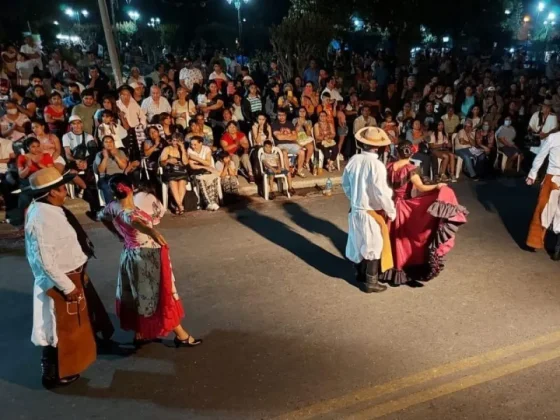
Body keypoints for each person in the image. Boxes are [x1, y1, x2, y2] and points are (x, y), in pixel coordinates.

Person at [24, 167, 113, 388]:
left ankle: (66, 367)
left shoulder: (50, 209)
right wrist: (66, 286)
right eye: (62, 188)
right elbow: (45, 260)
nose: (65, 192)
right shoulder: (41, 218)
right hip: (60, 281)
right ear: (52, 192)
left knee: (70, 327)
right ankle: (53, 374)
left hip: (72, 275)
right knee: (57, 329)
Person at [99, 174, 202, 347]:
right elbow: (137, 223)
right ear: (131, 188)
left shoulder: (113, 207)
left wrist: (116, 233)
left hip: (130, 254)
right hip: (146, 257)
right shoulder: (129, 214)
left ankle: (140, 334)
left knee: (139, 296)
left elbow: (102, 216)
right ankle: (182, 336)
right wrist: (153, 232)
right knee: (160, 295)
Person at [381, 141, 468, 285]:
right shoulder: (411, 169)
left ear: (398, 152)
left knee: (391, 236)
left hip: (391, 203)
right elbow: (421, 187)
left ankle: (388, 267)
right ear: (412, 153)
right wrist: (438, 185)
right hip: (404, 206)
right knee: (405, 238)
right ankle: (402, 267)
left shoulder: (389, 166)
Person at [343, 127, 396, 294]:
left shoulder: (354, 159)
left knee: (357, 242)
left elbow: (345, 183)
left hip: (356, 208)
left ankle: (359, 274)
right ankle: (370, 281)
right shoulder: (377, 165)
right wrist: (391, 210)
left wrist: (354, 198)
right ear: (378, 147)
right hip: (370, 210)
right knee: (373, 245)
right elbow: (381, 192)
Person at [526, 131, 560, 255]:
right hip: (553, 178)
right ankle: (555, 246)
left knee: (544, 210)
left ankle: (537, 242)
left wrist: (532, 174)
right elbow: (541, 156)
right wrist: (533, 173)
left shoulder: (553, 137)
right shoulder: (553, 137)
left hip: (552, 178)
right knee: (548, 210)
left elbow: (540, 155)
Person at [188, 135, 221, 211]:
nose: (193, 146)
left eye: (195, 144)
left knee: (214, 178)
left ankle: (213, 202)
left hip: (207, 172)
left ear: (201, 143)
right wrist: (205, 166)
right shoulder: (189, 150)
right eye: (191, 144)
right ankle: (208, 203)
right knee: (201, 179)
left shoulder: (206, 149)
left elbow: (208, 162)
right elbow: (192, 166)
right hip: (196, 173)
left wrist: (196, 159)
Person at [93, 136, 129, 204]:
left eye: (110, 142)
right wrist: (105, 158)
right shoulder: (99, 154)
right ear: (103, 144)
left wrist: (115, 155)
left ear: (113, 143)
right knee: (105, 186)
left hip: (119, 177)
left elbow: (123, 167)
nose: (109, 144)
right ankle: (111, 207)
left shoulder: (120, 152)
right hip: (106, 177)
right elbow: (101, 171)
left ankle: (125, 205)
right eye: (106, 142)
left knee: (126, 185)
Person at [160, 132, 189, 214]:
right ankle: (180, 205)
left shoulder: (183, 149)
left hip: (181, 172)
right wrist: (168, 160)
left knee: (182, 182)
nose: (175, 143)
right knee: (173, 182)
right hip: (170, 172)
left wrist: (183, 149)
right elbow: (161, 163)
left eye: (178, 141)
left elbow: (186, 163)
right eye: (174, 140)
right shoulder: (167, 149)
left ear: (182, 142)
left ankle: (178, 206)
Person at [272, 109, 306, 177]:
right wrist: (289, 135)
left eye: (283, 115)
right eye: (279, 115)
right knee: (284, 152)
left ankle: (299, 170)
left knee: (302, 152)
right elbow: (279, 137)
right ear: (277, 116)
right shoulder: (274, 124)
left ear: (286, 115)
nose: (281, 117)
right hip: (280, 145)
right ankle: (287, 172)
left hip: (292, 144)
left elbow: (295, 137)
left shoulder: (289, 123)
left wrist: (284, 136)